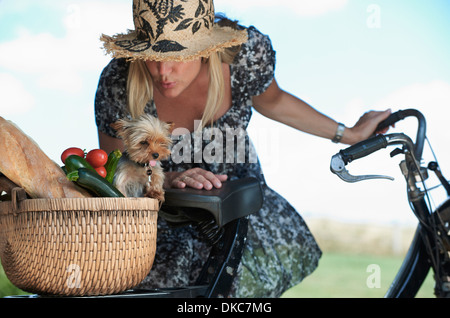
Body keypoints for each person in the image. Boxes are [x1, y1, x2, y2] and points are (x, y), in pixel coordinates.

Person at [95, 0, 391, 297]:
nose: (162, 71)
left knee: (235, 286)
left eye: (177, 55)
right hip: (163, 213)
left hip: (237, 203)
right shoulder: (118, 81)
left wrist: (349, 134)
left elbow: (274, 102)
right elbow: (113, 174)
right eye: (150, 56)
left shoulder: (243, 57)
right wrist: (166, 179)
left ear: (205, 47)